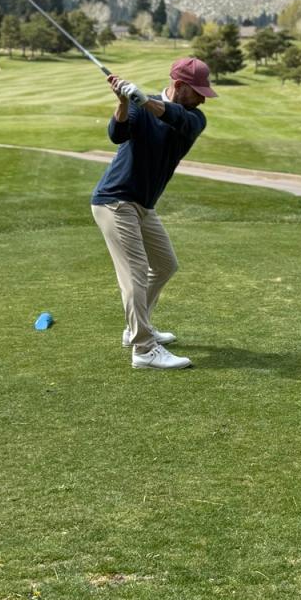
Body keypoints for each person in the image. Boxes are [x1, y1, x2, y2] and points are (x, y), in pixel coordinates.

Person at [91, 56, 216, 371]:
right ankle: (144, 349)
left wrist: (144, 99)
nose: (203, 97)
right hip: (115, 199)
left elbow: (172, 115)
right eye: (198, 90)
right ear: (178, 85)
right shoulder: (137, 105)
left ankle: (136, 327)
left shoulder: (193, 118)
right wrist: (123, 102)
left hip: (143, 205)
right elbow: (116, 135)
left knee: (164, 265)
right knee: (135, 273)